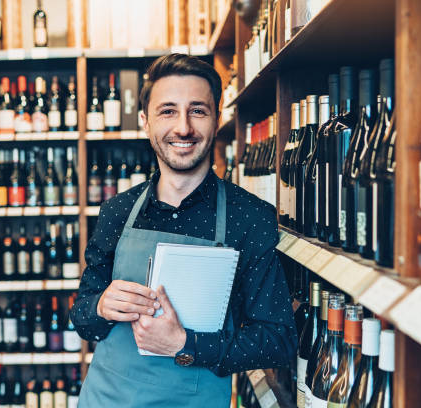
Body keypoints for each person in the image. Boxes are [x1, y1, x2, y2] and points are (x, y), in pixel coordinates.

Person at [70, 53, 297, 407]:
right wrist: (99, 305)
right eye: (168, 111)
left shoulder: (250, 217)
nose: (183, 127)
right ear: (146, 122)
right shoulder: (118, 211)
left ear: (216, 118)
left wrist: (185, 345)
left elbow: (277, 339)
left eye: (198, 110)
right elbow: (82, 318)